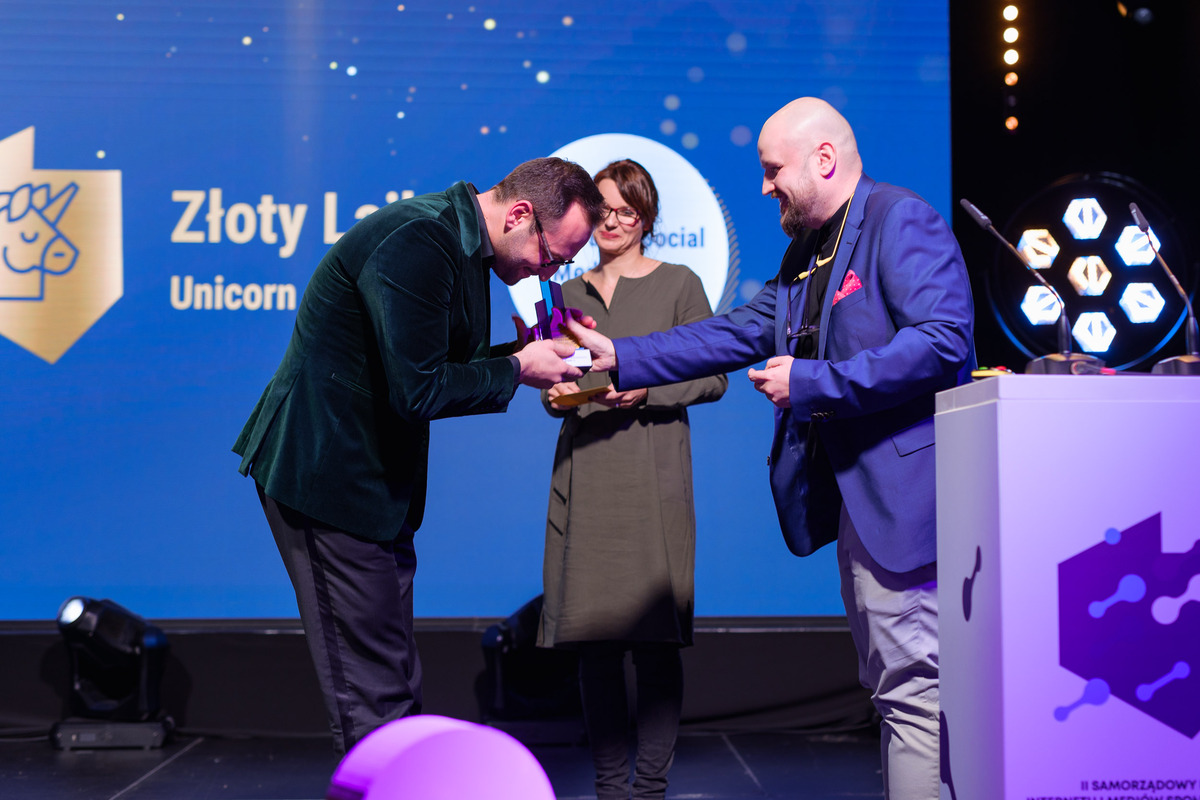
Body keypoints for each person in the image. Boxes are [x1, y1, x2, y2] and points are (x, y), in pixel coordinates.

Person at [565, 99, 976, 800]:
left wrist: (812, 382)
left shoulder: (898, 220)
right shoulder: (806, 251)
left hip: (907, 506)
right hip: (859, 507)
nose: (764, 187)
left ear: (824, 159)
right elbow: (732, 333)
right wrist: (620, 356)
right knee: (899, 691)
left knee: (913, 694)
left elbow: (943, 341)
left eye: (772, 170)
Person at [232, 157, 607, 756]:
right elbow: (419, 389)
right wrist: (517, 367)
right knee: (372, 695)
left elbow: (431, 363)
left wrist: (521, 354)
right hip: (329, 478)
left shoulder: (463, 245)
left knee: (393, 680)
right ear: (519, 214)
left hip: (374, 487)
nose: (549, 273)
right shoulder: (420, 239)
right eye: (552, 257)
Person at [537, 160, 727, 800]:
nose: (613, 222)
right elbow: (554, 388)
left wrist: (647, 388)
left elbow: (714, 376)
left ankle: (648, 790)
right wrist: (556, 392)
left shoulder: (679, 284)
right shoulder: (566, 292)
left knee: (654, 646)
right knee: (594, 647)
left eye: (627, 211)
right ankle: (610, 790)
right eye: (603, 210)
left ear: (646, 218)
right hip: (588, 473)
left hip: (652, 474)